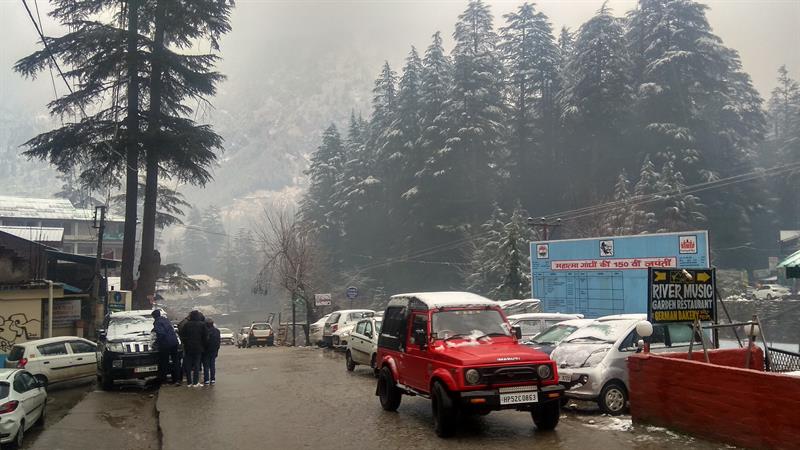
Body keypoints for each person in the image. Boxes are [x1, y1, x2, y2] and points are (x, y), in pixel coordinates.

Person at [152, 309, 181, 386]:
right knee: (175, 361)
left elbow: (161, 333)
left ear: (154, 316)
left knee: (164, 362)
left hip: (165, 344)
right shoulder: (166, 320)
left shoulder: (157, 322)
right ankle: (177, 380)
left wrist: (156, 343)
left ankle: (164, 381)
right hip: (174, 342)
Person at [181, 310, 209, 387]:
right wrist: (204, 345)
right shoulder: (202, 325)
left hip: (188, 347)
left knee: (188, 364)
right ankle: (195, 382)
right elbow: (206, 337)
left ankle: (189, 382)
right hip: (198, 347)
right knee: (197, 364)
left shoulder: (187, 325)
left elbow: (182, 335)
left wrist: (185, 343)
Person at [203, 318, 221, 385]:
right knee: (212, 365)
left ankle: (206, 380)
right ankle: (213, 379)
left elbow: (203, 341)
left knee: (206, 366)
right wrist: (217, 350)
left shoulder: (204, 331)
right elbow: (218, 342)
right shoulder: (217, 331)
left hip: (205, 351)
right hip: (214, 350)